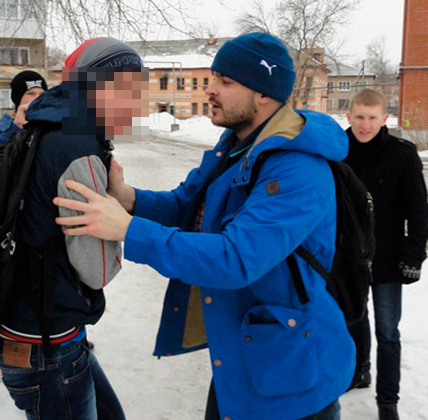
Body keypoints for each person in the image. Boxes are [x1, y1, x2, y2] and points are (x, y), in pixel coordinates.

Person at [54, 32, 355, 420]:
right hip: (241, 353)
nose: (210, 90)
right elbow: (186, 206)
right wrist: (128, 198)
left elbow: (235, 259)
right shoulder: (235, 144)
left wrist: (129, 229)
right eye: (213, 77)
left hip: (291, 373)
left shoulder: (298, 168)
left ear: (264, 94)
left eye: (226, 82)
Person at [0, 37, 146, 419]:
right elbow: (97, 270)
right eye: (127, 90)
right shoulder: (78, 147)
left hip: (30, 328)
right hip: (47, 347)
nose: (136, 105)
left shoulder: (43, 127)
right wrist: (115, 212)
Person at [344, 89, 428, 420]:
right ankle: (360, 369)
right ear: (349, 117)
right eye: (360, 117)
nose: (365, 125)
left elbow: (419, 211)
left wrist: (413, 256)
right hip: (348, 257)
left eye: (372, 118)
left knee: (388, 331)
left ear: (384, 119)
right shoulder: (336, 152)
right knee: (355, 318)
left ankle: (387, 400)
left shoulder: (401, 155)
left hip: (388, 258)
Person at [0, 70, 47, 170]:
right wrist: (16, 128)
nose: (37, 99)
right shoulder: (3, 130)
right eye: (31, 93)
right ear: (18, 98)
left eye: (42, 94)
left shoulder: (47, 126)